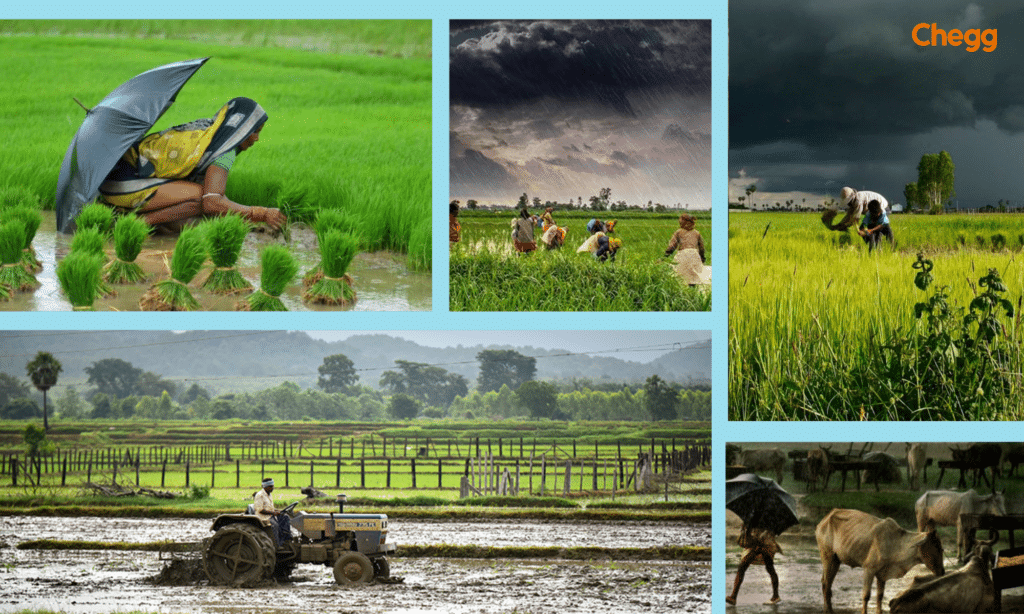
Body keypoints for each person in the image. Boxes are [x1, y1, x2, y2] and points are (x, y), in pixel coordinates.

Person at [98, 97, 286, 234]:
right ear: (242, 128)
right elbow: (211, 200)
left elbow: (216, 200)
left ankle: (141, 222)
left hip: (117, 179)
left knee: (188, 223)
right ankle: (137, 224)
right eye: (255, 131)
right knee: (199, 197)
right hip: (122, 184)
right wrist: (260, 213)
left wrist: (246, 224)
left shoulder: (210, 135)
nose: (256, 139)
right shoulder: (223, 151)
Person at [726, 523, 782, 606]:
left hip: (767, 544)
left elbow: (769, 535)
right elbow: (747, 536)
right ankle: (733, 596)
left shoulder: (770, 519)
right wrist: (746, 529)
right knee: (742, 566)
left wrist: (759, 541)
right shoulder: (752, 517)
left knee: (769, 567)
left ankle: (776, 595)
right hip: (754, 544)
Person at [664, 213, 709, 285]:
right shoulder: (697, 233)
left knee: (681, 276)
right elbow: (701, 248)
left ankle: (684, 292)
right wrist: (702, 258)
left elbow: (672, 246)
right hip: (694, 254)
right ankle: (693, 290)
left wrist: (665, 256)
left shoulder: (678, 232)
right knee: (694, 276)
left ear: (683, 222)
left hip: (683, 254)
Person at [823, 186, 889, 231]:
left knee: (873, 229)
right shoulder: (853, 202)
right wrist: (840, 225)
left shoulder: (858, 201)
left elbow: (855, 218)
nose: (848, 204)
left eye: (848, 201)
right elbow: (849, 215)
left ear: (852, 197)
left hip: (881, 207)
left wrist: (842, 227)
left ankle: (882, 246)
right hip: (872, 209)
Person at [253, 477, 291, 545]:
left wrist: (277, 511)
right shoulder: (259, 495)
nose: (273, 488)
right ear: (265, 487)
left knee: (285, 517)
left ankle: (286, 539)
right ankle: (277, 544)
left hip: (270, 515)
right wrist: (273, 513)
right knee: (275, 525)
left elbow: (270, 508)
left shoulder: (269, 495)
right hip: (263, 517)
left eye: (273, 486)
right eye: (271, 486)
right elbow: (260, 510)